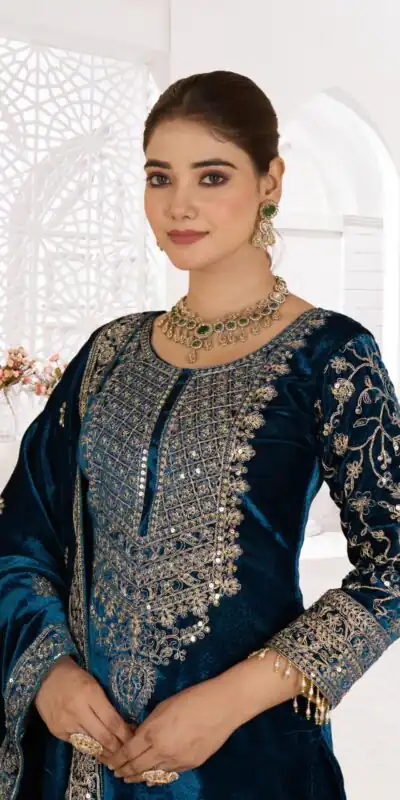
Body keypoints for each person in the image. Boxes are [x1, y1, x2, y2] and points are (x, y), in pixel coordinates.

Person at [0, 69, 399, 800]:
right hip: (82, 757)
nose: (178, 205)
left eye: (211, 176)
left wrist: (230, 701)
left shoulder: (331, 357)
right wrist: (50, 673)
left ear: (270, 181)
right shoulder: (109, 353)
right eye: (160, 177)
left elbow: (393, 564)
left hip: (245, 758)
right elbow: (21, 538)